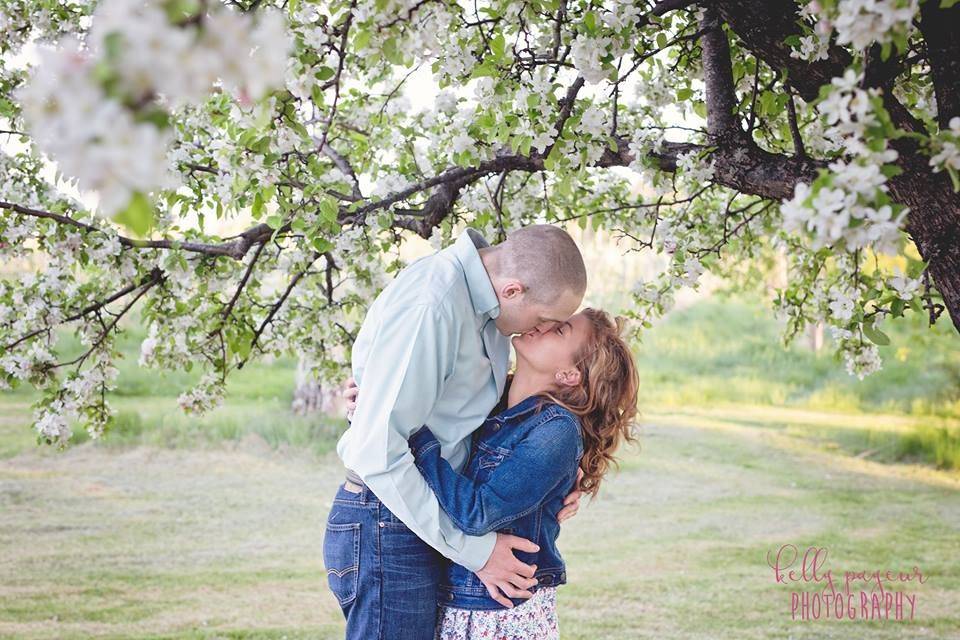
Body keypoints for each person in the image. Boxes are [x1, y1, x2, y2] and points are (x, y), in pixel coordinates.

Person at [323, 225, 588, 640]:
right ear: (514, 290)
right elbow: (378, 451)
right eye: (542, 319)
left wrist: (560, 478)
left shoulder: (486, 311)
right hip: (388, 518)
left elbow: (475, 419)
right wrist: (477, 553)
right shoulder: (434, 303)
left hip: (426, 514)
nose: (533, 331)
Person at [408, 308, 639, 639]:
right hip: (462, 599)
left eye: (559, 331)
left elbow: (479, 512)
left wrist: (413, 433)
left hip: (497, 612)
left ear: (569, 374)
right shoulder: (492, 399)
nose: (542, 324)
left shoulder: (557, 431)